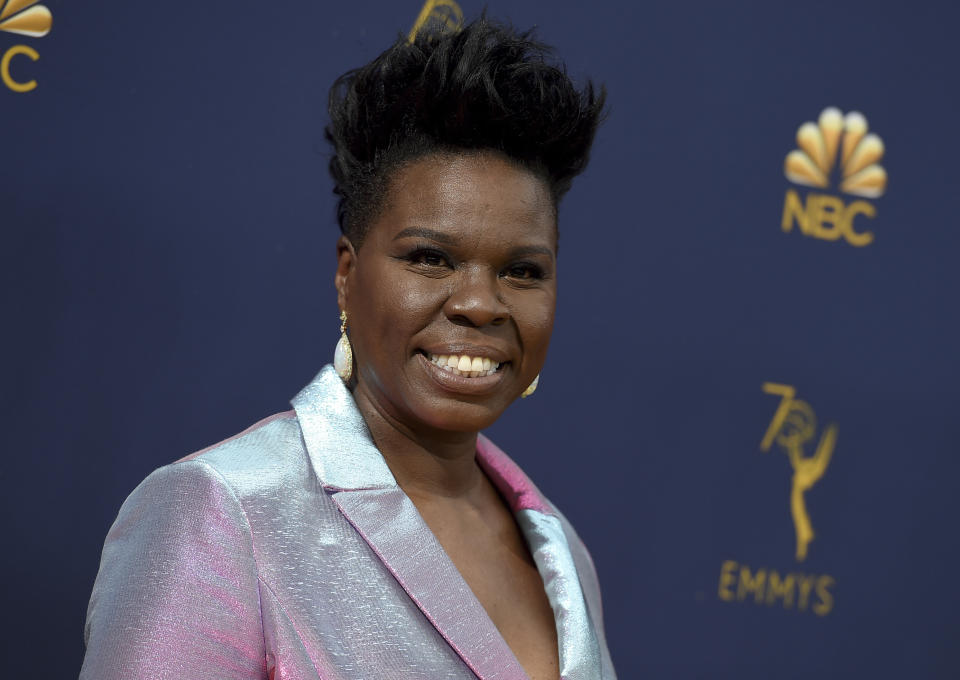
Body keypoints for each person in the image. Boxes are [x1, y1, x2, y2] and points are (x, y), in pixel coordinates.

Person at [80, 17, 614, 680]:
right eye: (431, 258)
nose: (480, 303)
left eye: (523, 270)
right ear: (347, 274)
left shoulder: (562, 553)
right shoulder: (225, 512)